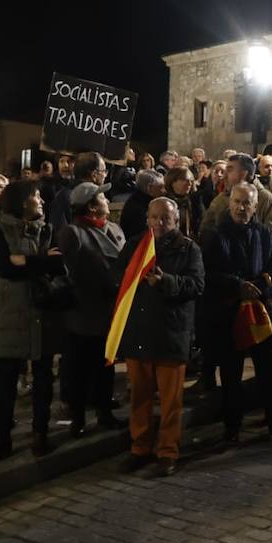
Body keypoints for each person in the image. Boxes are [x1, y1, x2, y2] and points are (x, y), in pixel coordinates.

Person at [113, 197, 204, 476]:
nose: (159, 223)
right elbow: (116, 276)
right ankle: (139, 448)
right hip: (139, 331)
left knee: (170, 401)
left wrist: (167, 282)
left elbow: (197, 285)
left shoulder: (188, 249)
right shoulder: (135, 246)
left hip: (171, 333)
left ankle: (167, 451)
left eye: (165, 218)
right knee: (139, 396)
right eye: (154, 217)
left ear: (176, 220)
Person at [202, 183, 272, 444]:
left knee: (270, 370)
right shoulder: (215, 234)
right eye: (238, 202)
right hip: (228, 313)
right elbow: (208, 273)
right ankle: (232, 428)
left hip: (260, 310)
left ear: (255, 207)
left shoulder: (265, 233)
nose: (242, 208)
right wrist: (236, 286)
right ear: (230, 203)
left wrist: (264, 286)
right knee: (231, 375)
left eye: (247, 204)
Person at [0, 180, 64, 461]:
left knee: (44, 376)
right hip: (10, 312)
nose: (42, 201)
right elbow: (5, 267)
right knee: (6, 378)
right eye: (36, 196)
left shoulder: (48, 228)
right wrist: (41, 260)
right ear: (22, 202)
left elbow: (58, 264)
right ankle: (1, 436)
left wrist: (27, 260)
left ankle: (40, 433)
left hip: (42, 311)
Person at [58, 182, 125, 436]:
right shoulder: (73, 233)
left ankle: (104, 412)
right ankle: (78, 419)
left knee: (105, 367)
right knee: (80, 368)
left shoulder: (115, 229)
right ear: (91, 206)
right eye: (102, 197)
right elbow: (68, 272)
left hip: (110, 312)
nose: (107, 200)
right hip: (85, 313)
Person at [198, 154, 272, 240]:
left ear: (243, 174)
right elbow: (205, 232)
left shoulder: (265, 199)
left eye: (229, 170)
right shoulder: (220, 199)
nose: (224, 176)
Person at [162, 166, 204, 239]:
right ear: (172, 181)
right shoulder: (164, 201)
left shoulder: (195, 200)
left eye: (191, 180)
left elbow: (201, 220)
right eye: (185, 180)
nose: (189, 183)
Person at [121, 169, 163, 240]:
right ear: (149, 188)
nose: (164, 191)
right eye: (161, 187)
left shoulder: (140, 200)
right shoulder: (138, 209)